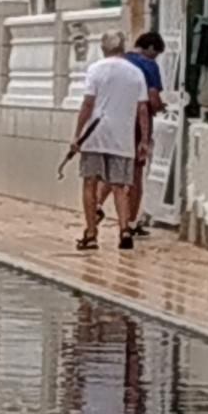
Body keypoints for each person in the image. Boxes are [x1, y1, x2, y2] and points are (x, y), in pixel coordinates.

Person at [72, 29, 150, 251]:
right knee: (119, 186)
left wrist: (77, 134)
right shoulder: (135, 73)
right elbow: (142, 109)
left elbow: (88, 103)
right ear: (123, 47)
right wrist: (143, 140)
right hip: (122, 136)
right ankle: (125, 229)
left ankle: (91, 233)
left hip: (95, 135)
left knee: (90, 182)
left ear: (103, 48)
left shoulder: (95, 70)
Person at [97, 32, 166, 236]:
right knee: (135, 174)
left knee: (113, 170)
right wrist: (161, 108)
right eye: (156, 54)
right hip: (136, 123)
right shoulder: (148, 65)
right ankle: (132, 222)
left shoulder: (120, 61)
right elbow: (151, 99)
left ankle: (97, 204)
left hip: (112, 121)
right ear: (151, 48)